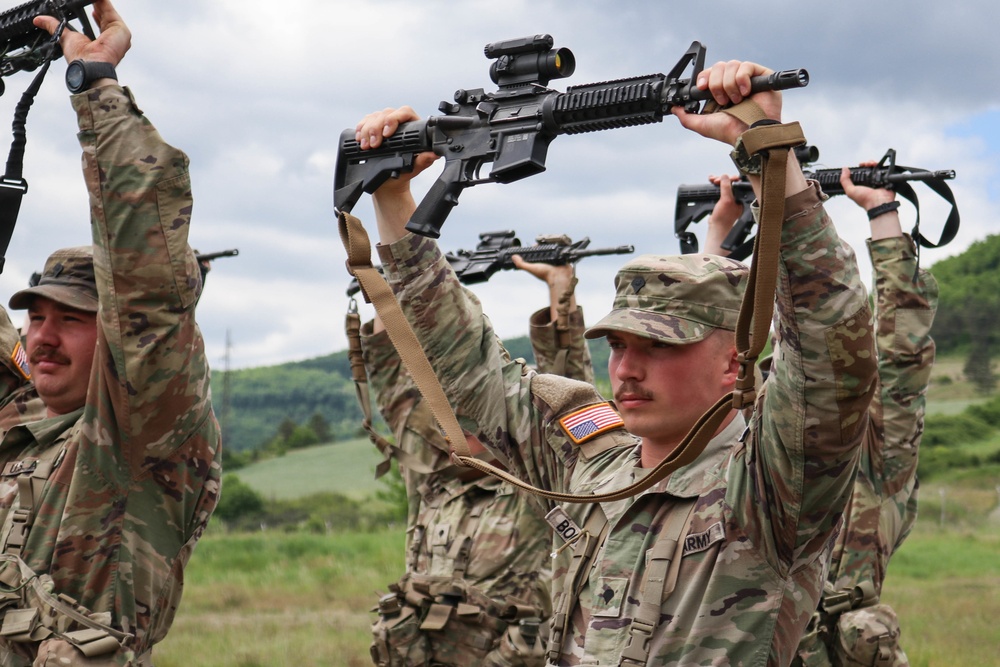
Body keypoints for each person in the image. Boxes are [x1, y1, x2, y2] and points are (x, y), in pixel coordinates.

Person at [353, 59, 877, 666]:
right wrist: (393, 200)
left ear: (736, 364)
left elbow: (831, 338)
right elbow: (467, 364)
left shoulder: (769, 486)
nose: (627, 368)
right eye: (621, 345)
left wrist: (763, 150)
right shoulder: (591, 465)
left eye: (661, 347)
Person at [0, 2, 221, 664]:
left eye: (71, 319)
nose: (42, 336)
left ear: (117, 332)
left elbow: (145, 273)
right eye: (36, 316)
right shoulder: (20, 422)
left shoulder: (140, 436)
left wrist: (96, 89)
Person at [361, 258, 595, 667]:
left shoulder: (533, 485)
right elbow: (390, 375)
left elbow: (567, 388)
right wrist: (389, 283)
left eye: (469, 417)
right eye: (446, 416)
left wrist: (560, 287)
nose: (455, 426)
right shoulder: (431, 481)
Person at [786, 168, 938, 667]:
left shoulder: (876, 463)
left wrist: (881, 212)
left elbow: (902, 354)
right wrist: (730, 230)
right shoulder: (768, 451)